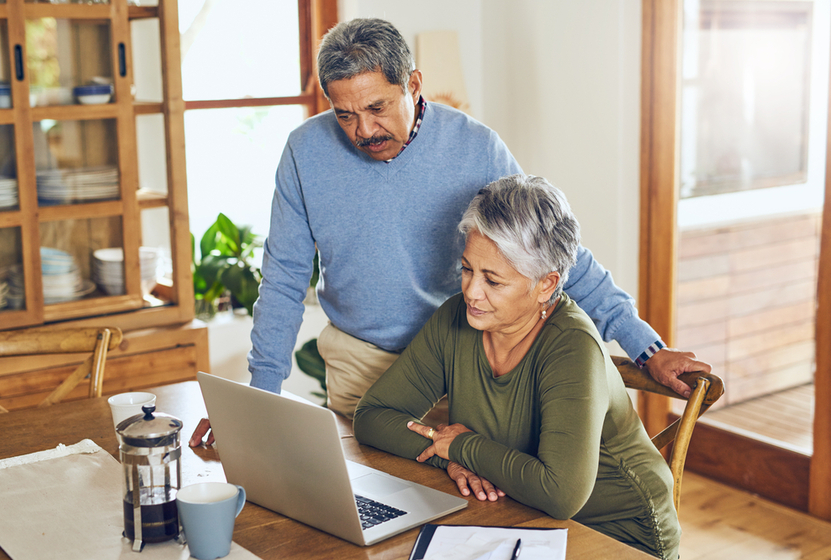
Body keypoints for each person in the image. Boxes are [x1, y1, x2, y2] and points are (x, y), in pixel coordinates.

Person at [189, 17, 708, 446]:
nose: (363, 131)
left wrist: (646, 347)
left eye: (377, 108)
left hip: (461, 358)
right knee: (373, 510)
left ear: (413, 85)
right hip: (359, 366)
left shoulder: (476, 148)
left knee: (472, 509)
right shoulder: (305, 153)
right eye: (344, 114)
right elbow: (281, 281)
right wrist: (258, 403)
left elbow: (554, 254)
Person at [354, 174, 681, 559]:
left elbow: (560, 495)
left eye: (493, 280)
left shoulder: (572, 348)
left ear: (546, 284)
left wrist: (462, 445)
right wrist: (448, 456)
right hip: (517, 512)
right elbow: (373, 417)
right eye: (467, 269)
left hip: (617, 534)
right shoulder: (455, 319)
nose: (472, 292)